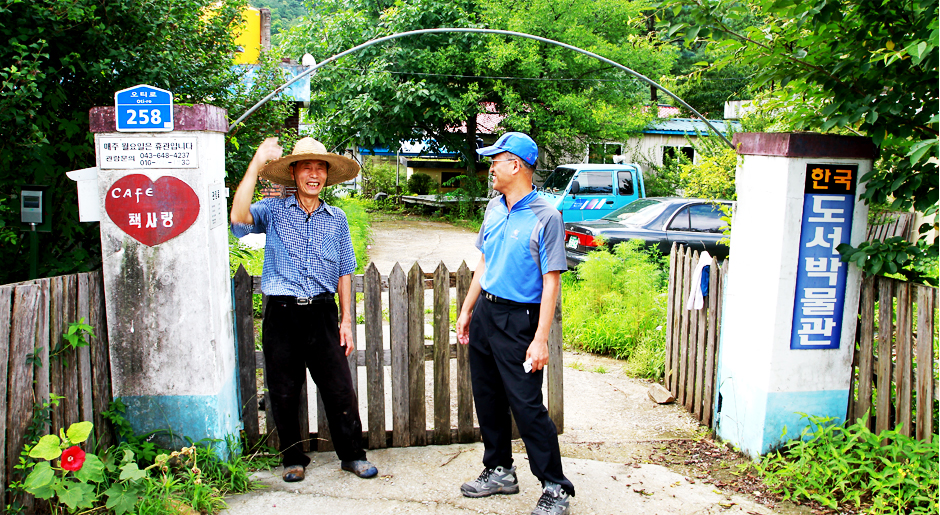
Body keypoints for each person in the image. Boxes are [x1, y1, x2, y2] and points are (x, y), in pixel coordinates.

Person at [230, 137, 377, 482]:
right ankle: (292, 459)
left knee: (340, 387)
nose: (314, 174)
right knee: (283, 391)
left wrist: (346, 320)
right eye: (306, 167)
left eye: (320, 168)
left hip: (323, 313)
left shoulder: (337, 219)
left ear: (327, 174)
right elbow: (238, 217)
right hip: (282, 314)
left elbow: (345, 271)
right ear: (293, 173)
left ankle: (353, 456)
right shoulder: (274, 212)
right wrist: (256, 161)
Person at [456, 132, 575, 515]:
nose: (491, 167)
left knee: (526, 404)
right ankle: (499, 469)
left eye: (496, 160)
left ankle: (555, 487)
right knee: (487, 397)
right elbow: (485, 262)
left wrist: (540, 339)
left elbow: (551, 280)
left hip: (520, 319)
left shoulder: (547, 216)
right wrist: (467, 309)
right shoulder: (494, 208)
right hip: (488, 315)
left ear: (516, 165)